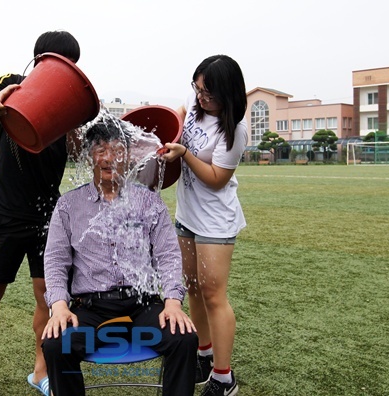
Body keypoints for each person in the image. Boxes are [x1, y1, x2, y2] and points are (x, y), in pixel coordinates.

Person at [0, 31, 81, 396]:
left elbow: (77, 150)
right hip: (6, 212)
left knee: (48, 294)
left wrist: (75, 128)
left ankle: (41, 371)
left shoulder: (75, 102)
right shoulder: (13, 84)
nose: (65, 71)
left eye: (72, 65)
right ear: (40, 61)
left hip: (49, 215)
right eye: (59, 63)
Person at [41, 119, 199, 396]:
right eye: (100, 150)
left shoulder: (149, 202)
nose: (109, 158)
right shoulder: (68, 205)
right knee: (56, 344)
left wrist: (173, 302)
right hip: (91, 308)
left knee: (183, 339)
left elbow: (168, 255)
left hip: (142, 304)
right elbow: (55, 260)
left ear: (128, 156)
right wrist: (59, 306)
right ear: (89, 155)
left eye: (117, 150)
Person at [161, 54, 248, 396]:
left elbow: (215, 178)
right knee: (192, 287)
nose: (201, 98)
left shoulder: (235, 129)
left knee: (214, 296)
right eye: (198, 89)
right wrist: (170, 133)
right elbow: (180, 115)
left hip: (215, 223)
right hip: (188, 215)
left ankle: (223, 378)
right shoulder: (194, 102)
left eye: (209, 94)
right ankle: (204, 353)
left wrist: (184, 154)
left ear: (227, 94)